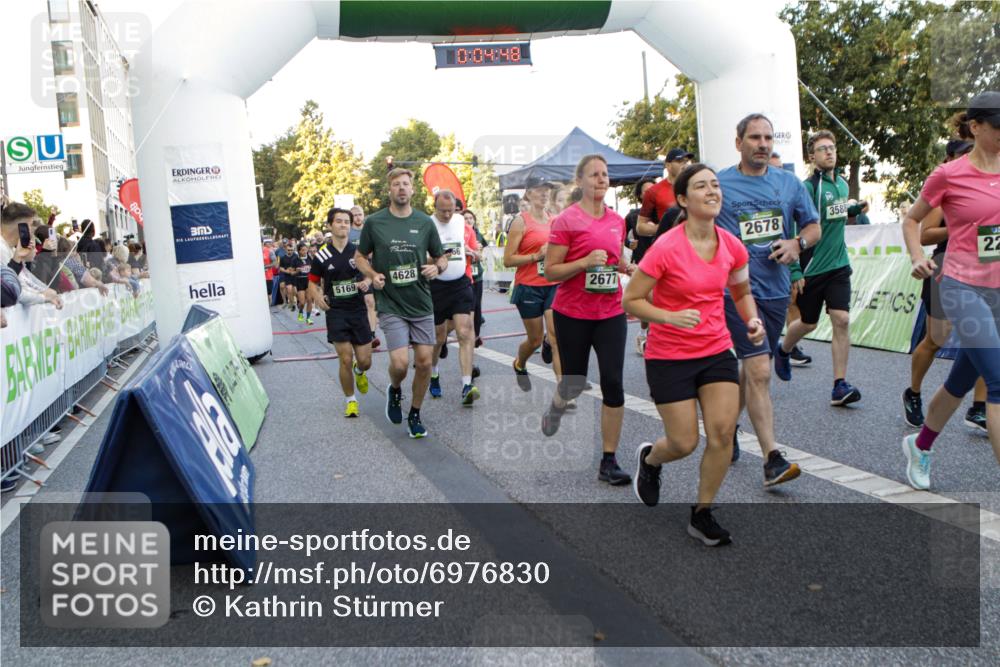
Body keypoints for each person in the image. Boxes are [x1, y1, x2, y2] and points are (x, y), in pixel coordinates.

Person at [625, 163, 764, 545]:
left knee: (721, 434)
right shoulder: (666, 248)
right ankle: (651, 460)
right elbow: (630, 300)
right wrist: (669, 316)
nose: (712, 191)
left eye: (716, 185)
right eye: (702, 186)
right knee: (684, 442)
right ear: (684, 200)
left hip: (716, 349)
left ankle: (702, 512)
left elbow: (740, 292)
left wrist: (751, 320)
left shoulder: (731, 245)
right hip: (669, 354)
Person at [900, 91, 1000, 490]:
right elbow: (912, 221)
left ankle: (920, 445)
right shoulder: (949, 174)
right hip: (960, 286)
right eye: (997, 128)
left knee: (961, 381)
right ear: (975, 128)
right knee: (998, 382)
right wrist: (915, 257)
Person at [715, 113, 820, 477]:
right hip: (737, 292)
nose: (762, 144)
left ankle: (725, 430)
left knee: (752, 369)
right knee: (760, 368)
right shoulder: (720, 185)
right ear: (739, 142)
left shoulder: (790, 184)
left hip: (776, 291)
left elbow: (813, 226)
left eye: (768, 138)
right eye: (755, 137)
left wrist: (797, 243)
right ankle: (772, 458)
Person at [539, 154, 635, 486]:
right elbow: (551, 271)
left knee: (613, 382)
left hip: (610, 313)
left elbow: (615, 256)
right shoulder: (566, 220)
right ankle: (557, 403)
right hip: (573, 314)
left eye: (605, 174)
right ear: (580, 182)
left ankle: (609, 460)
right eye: (594, 175)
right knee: (574, 383)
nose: (601, 179)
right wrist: (582, 263)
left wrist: (626, 266)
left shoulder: (617, 220)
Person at [775, 130, 867, 406]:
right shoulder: (807, 187)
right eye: (822, 149)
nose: (829, 152)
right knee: (808, 323)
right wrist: (794, 271)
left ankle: (839, 385)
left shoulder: (840, 184)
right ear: (812, 157)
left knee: (842, 319)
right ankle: (784, 349)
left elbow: (833, 214)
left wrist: (852, 211)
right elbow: (792, 226)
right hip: (813, 268)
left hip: (839, 266)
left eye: (832, 148)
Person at [355, 168, 447, 438]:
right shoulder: (375, 222)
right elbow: (360, 257)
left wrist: (437, 269)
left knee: (425, 362)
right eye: (396, 184)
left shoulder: (424, 222)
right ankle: (395, 390)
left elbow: (441, 257)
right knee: (400, 364)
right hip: (391, 302)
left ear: (413, 189)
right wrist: (372, 275)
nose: (402, 188)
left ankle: (415, 414)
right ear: (390, 190)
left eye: (406, 184)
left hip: (421, 302)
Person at [904, 138, 988, 433]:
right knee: (936, 339)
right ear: (951, 157)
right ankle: (913, 392)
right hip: (945, 266)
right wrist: (963, 224)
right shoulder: (948, 182)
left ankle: (979, 407)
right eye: (964, 155)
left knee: (984, 338)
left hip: (984, 270)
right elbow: (925, 234)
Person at [308, 208, 373, 418]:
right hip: (336, 312)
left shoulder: (358, 252)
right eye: (339, 221)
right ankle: (350, 401)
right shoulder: (322, 255)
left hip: (358, 311)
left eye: (347, 222)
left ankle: (360, 371)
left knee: (364, 361)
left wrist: (367, 281)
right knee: (345, 358)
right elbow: (312, 283)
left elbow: (371, 275)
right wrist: (318, 298)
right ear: (330, 225)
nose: (344, 225)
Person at [504, 176, 563, 395]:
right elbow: (508, 260)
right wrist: (536, 256)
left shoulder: (554, 220)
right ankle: (520, 362)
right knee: (535, 339)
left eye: (547, 190)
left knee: (557, 336)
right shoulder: (521, 222)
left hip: (553, 284)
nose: (544, 193)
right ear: (528, 194)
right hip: (528, 287)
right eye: (539, 190)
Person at [634, 148, 694, 355]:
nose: (685, 163)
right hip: (665, 253)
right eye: (680, 160)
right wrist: (665, 228)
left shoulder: (695, 187)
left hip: (694, 252)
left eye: (687, 160)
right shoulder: (654, 192)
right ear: (668, 165)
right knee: (664, 299)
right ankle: (657, 336)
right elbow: (640, 227)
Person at [426, 190, 480, 405]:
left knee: (465, 331)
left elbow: (470, 246)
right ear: (435, 207)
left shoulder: (460, 221)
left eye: (451, 210)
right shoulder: (427, 224)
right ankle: (433, 374)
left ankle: (467, 384)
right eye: (443, 211)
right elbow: (420, 256)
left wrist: (472, 252)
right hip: (436, 285)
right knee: (439, 338)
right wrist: (437, 258)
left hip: (460, 283)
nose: (447, 215)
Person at [350, 205, 380, 348]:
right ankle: (357, 333)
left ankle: (372, 334)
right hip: (351, 272)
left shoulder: (370, 231)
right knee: (356, 304)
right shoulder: (347, 233)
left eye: (360, 214)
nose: (357, 217)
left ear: (364, 215)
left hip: (367, 270)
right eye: (354, 215)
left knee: (370, 301)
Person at [464, 209, 488, 346]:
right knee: (467, 307)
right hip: (464, 276)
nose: (468, 220)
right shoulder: (459, 233)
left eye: (471, 218)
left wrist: (477, 251)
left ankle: (475, 336)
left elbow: (481, 254)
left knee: (477, 306)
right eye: (466, 218)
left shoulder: (478, 234)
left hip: (477, 275)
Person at [293, 242, 314, 324]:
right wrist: (296, 271)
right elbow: (292, 272)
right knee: (302, 302)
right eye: (302, 250)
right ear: (299, 251)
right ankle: (301, 311)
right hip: (299, 281)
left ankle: (308, 318)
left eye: (306, 249)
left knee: (309, 300)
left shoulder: (310, 258)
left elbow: (314, 270)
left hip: (309, 281)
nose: (305, 251)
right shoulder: (295, 260)